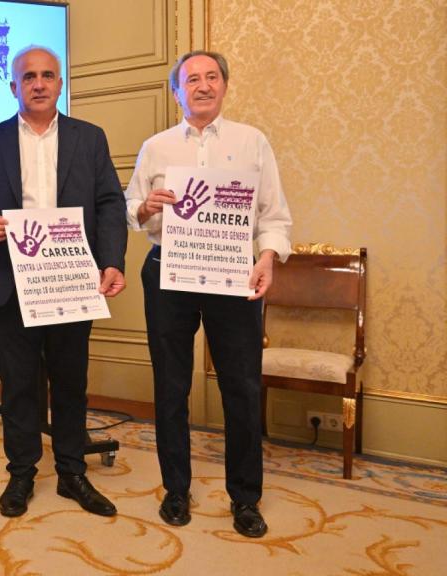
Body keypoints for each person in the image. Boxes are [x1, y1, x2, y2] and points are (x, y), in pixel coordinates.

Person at [124, 50, 292, 538]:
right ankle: (176, 490)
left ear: (224, 85)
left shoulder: (252, 142)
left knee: (240, 388)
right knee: (171, 386)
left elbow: (274, 215)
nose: (201, 86)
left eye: (211, 77)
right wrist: (143, 208)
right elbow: (131, 206)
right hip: (168, 274)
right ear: (176, 91)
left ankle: (245, 498)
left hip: (233, 275)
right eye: (191, 79)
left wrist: (266, 259)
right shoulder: (155, 147)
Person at [0, 46, 128, 519]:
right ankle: (22, 472)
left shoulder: (89, 138)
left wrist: (112, 260)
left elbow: (111, 203)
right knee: (18, 383)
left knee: (71, 380)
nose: (37, 83)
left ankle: (73, 471)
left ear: (60, 83)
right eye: (28, 76)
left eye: (47, 75)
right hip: (11, 280)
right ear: (13, 86)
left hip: (71, 280)